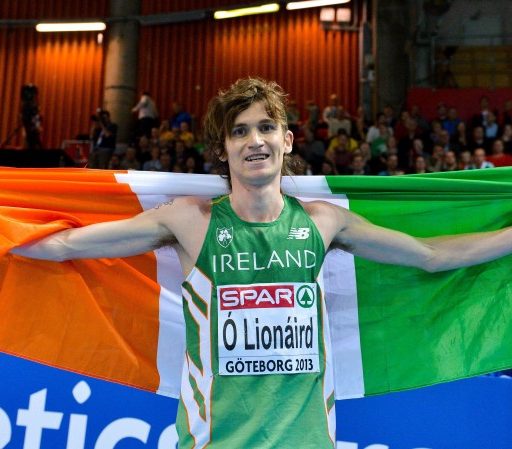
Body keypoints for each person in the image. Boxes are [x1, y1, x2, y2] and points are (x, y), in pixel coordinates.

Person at [10, 77, 512, 448]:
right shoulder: (190, 220)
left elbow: (430, 256)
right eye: (240, 131)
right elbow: (65, 246)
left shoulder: (324, 222)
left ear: (286, 140)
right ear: (223, 149)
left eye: (266, 127)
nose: (255, 140)